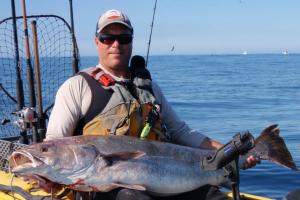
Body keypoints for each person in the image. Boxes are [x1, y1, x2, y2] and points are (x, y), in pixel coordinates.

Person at [46, 9, 259, 200]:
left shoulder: (150, 89)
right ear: (96, 42)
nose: (116, 45)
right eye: (107, 38)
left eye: (124, 38)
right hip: (104, 189)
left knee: (214, 196)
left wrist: (230, 152)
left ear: (131, 42)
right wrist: (45, 174)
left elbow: (181, 131)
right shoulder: (77, 87)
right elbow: (55, 141)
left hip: (160, 180)